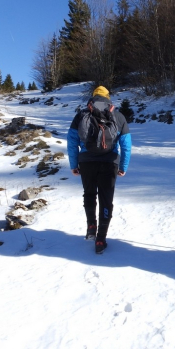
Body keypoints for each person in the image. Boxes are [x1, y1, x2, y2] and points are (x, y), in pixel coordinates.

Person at [67, 86, 132, 254]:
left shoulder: (82, 115)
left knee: (89, 194)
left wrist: (74, 164)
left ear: (93, 97)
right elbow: (126, 145)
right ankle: (101, 239)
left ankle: (91, 226)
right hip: (109, 163)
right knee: (106, 199)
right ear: (108, 98)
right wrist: (123, 166)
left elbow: (72, 141)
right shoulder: (117, 116)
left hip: (87, 162)